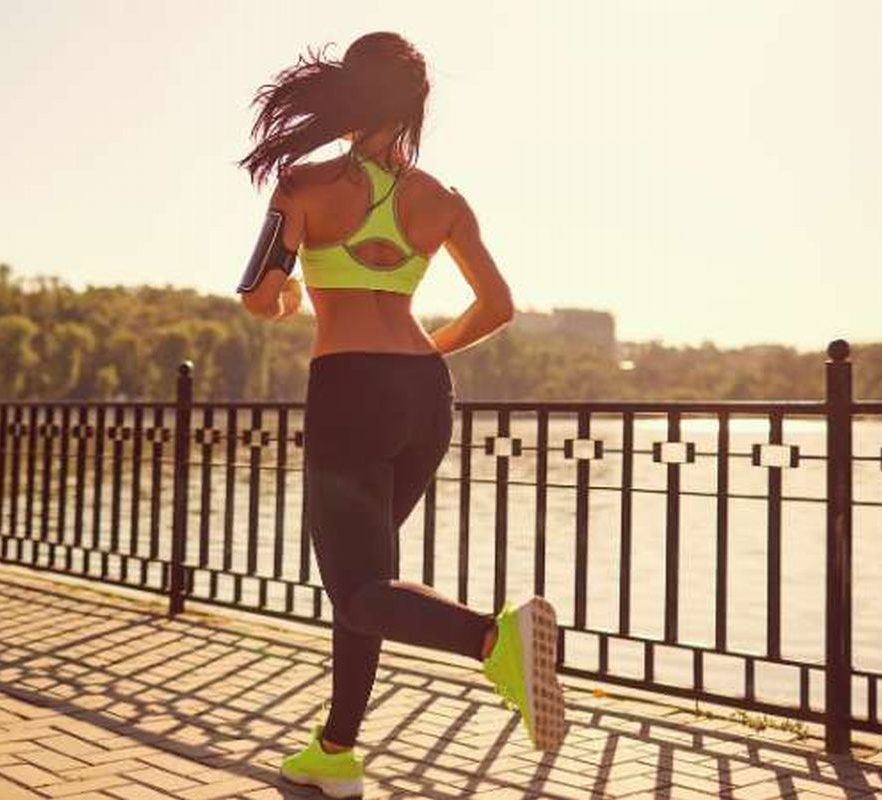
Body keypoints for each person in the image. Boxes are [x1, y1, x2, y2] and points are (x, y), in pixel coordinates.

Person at [236, 31, 567, 798]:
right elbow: (499, 307)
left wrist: (287, 297)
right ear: (415, 103)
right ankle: (336, 751)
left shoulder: (303, 185)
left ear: (351, 94)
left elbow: (258, 295)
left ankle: (494, 638)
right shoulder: (441, 200)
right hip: (424, 396)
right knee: (370, 586)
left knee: (356, 590)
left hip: (349, 392)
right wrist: (428, 352)